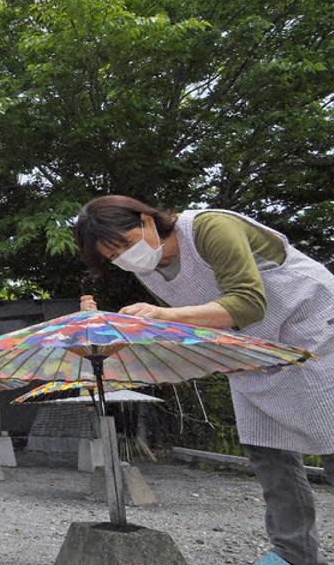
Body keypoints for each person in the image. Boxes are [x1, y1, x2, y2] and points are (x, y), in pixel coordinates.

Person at [75, 195, 334, 565]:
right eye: (112, 257)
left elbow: (247, 303)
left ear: (148, 221)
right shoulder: (147, 270)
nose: (124, 259)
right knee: (266, 448)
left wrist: (163, 316)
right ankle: (294, 554)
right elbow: (198, 318)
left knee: (331, 436)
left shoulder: (209, 228)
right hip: (249, 346)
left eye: (126, 246)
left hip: (311, 327)